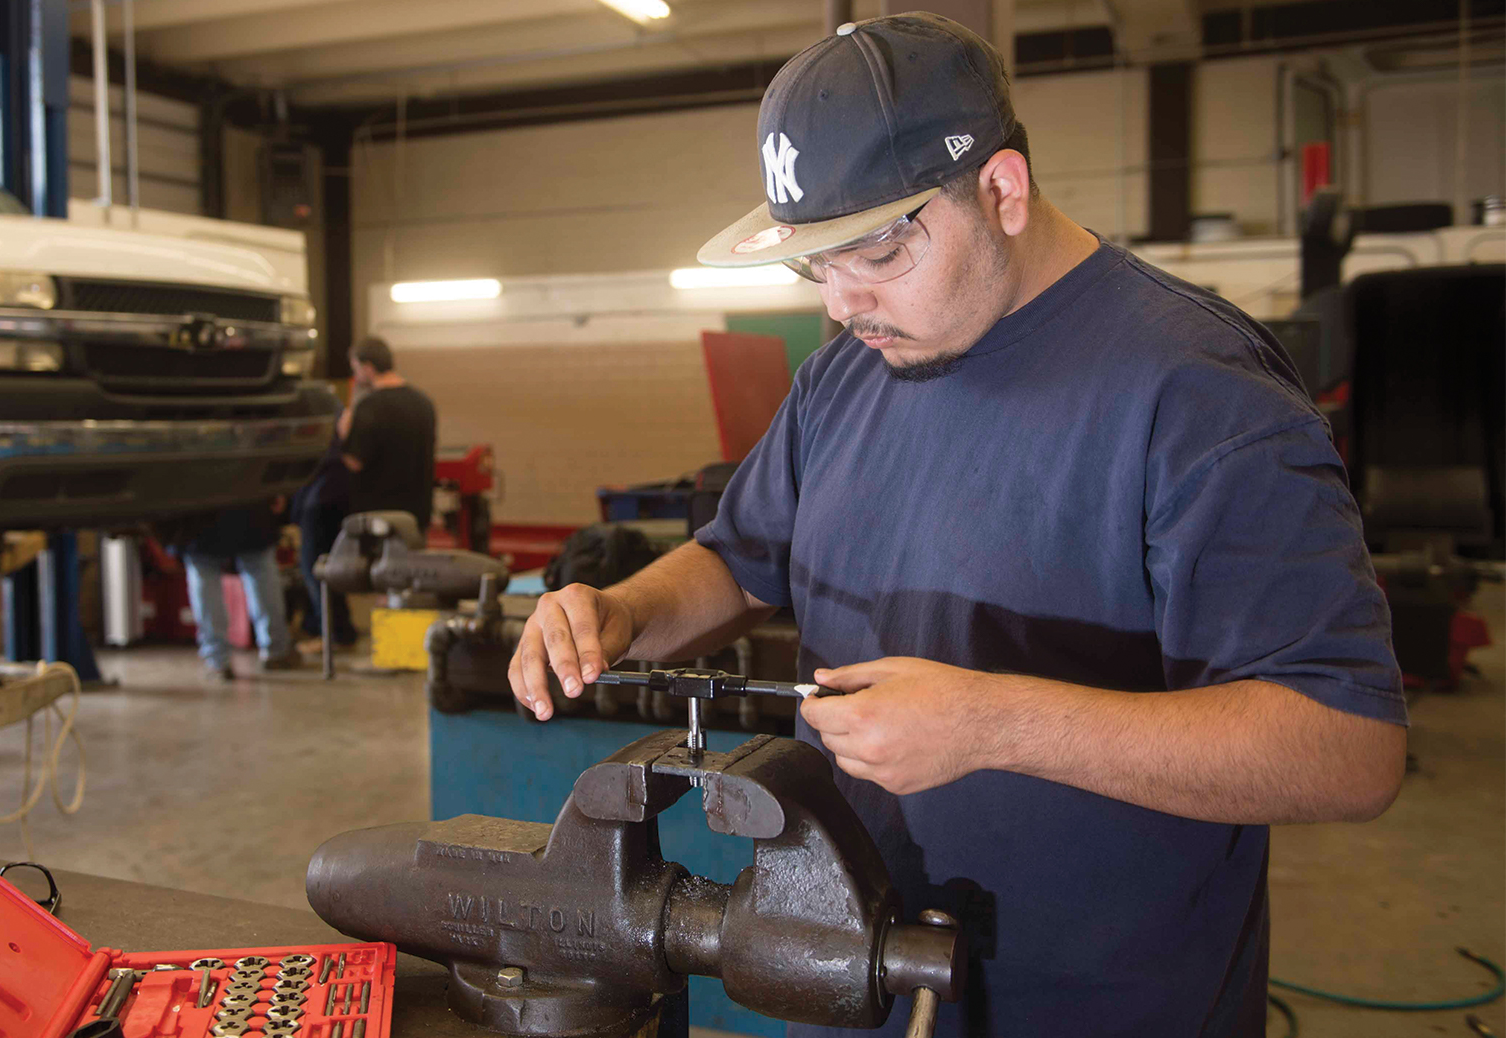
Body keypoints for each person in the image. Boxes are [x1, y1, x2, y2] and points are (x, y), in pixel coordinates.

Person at [508, 13, 1405, 1037]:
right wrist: (619, 611)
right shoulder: (844, 376)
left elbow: (1348, 747)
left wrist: (995, 725)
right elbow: (742, 560)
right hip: (844, 964)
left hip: (1097, 1002)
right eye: (818, 267)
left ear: (1003, 191)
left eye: (881, 253)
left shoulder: (1198, 394)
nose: (845, 306)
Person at [179, 502, 304, 680]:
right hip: (247, 502)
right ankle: (276, 650)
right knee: (260, 570)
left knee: (204, 573)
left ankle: (217, 661)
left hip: (200, 508)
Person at [340, 336, 437, 535]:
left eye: (355, 368)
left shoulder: (369, 407)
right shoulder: (424, 402)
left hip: (380, 521)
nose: (355, 376)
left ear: (368, 367)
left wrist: (343, 434)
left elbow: (354, 462)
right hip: (417, 517)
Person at [293, 415, 360, 654]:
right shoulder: (335, 448)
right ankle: (331, 629)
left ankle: (333, 634)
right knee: (326, 570)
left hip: (320, 507)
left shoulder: (325, 446)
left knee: (317, 571)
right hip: (328, 505)